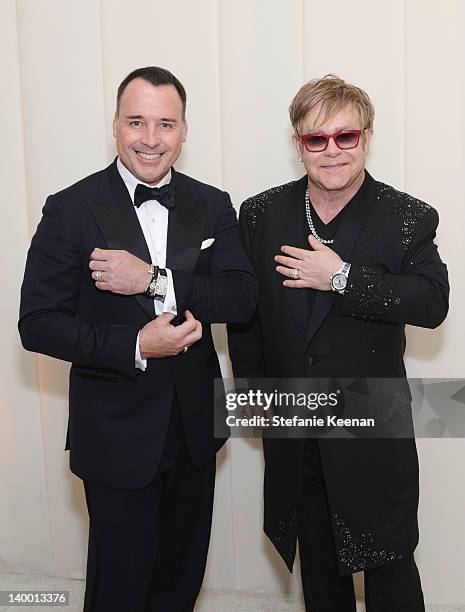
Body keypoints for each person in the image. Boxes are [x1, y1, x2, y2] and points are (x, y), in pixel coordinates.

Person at [19, 66, 256, 612]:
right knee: (120, 589)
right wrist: (135, 347)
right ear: (115, 126)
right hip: (116, 436)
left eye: (165, 124)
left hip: (196, 431)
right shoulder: (70, 208)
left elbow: (241, 298)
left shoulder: (213, 203)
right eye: (137, 122)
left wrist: (153, 279)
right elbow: (37, 323)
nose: (151, 139)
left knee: (180, 582)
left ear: (184, 131)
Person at [228, 75, 449, 611]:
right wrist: (255, 398)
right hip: (296, 428)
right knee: (322, 580)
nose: (332, 151)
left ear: (367, 139)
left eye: (345, 137)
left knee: (391, 577)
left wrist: (343, 277)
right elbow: (246, 318)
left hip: (373, 432)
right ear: (297, 143)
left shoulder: (406, 216)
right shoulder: (259, 214)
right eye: (315, 139)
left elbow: (431, 303)